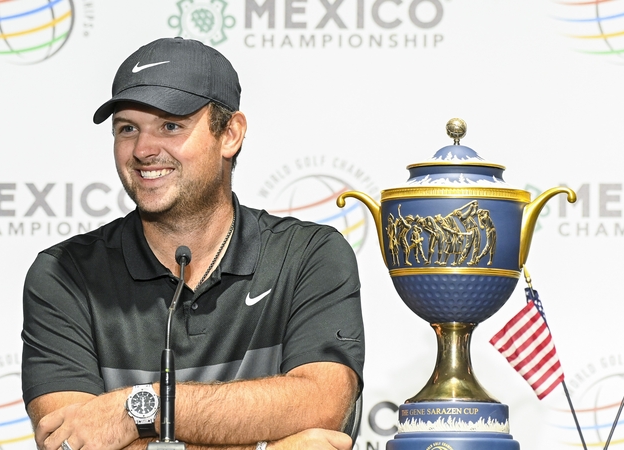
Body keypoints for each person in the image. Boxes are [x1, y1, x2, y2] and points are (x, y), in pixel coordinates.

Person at [20, 37, 365, 450]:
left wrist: (138, 411)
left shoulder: (309, 256)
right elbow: (69, 442)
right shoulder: (64, 274)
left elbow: (323, 404)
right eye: (128, 128)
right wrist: (267, 448)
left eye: (171, 125)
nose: (143, 150)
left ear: (230, 134)